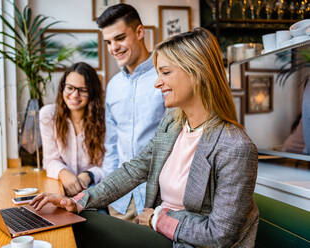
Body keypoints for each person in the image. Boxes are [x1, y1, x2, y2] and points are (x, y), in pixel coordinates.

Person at [31, 28, 259, 248]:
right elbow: (134, 169)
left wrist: (157, 219)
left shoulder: (235, 146)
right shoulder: (173, 123)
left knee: (79, 226)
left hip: (181, 242)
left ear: (196, 72)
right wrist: (79, 201)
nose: (157, 82)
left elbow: (220, 234)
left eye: (166, 73)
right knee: (70, 218)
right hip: (156, 233)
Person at [97, 3, 166, 221]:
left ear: (139, 32)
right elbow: (112, 144)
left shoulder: (165, 75)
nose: (113, 48)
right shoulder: (113, 86)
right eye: (108, 42)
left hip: (158, 199)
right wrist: (107, 192)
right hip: (120, 201)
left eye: (119, 38)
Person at [39, 62, 105, 196]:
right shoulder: (49, 115)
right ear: (62, 88)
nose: (75, 95)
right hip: (61, 189)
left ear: (92, 93)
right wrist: (64, 173)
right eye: (70, 88)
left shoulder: (104, 119)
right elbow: (50, 160)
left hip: (94, 192)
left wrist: (88, 175)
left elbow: (110, 164)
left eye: (83, 90)